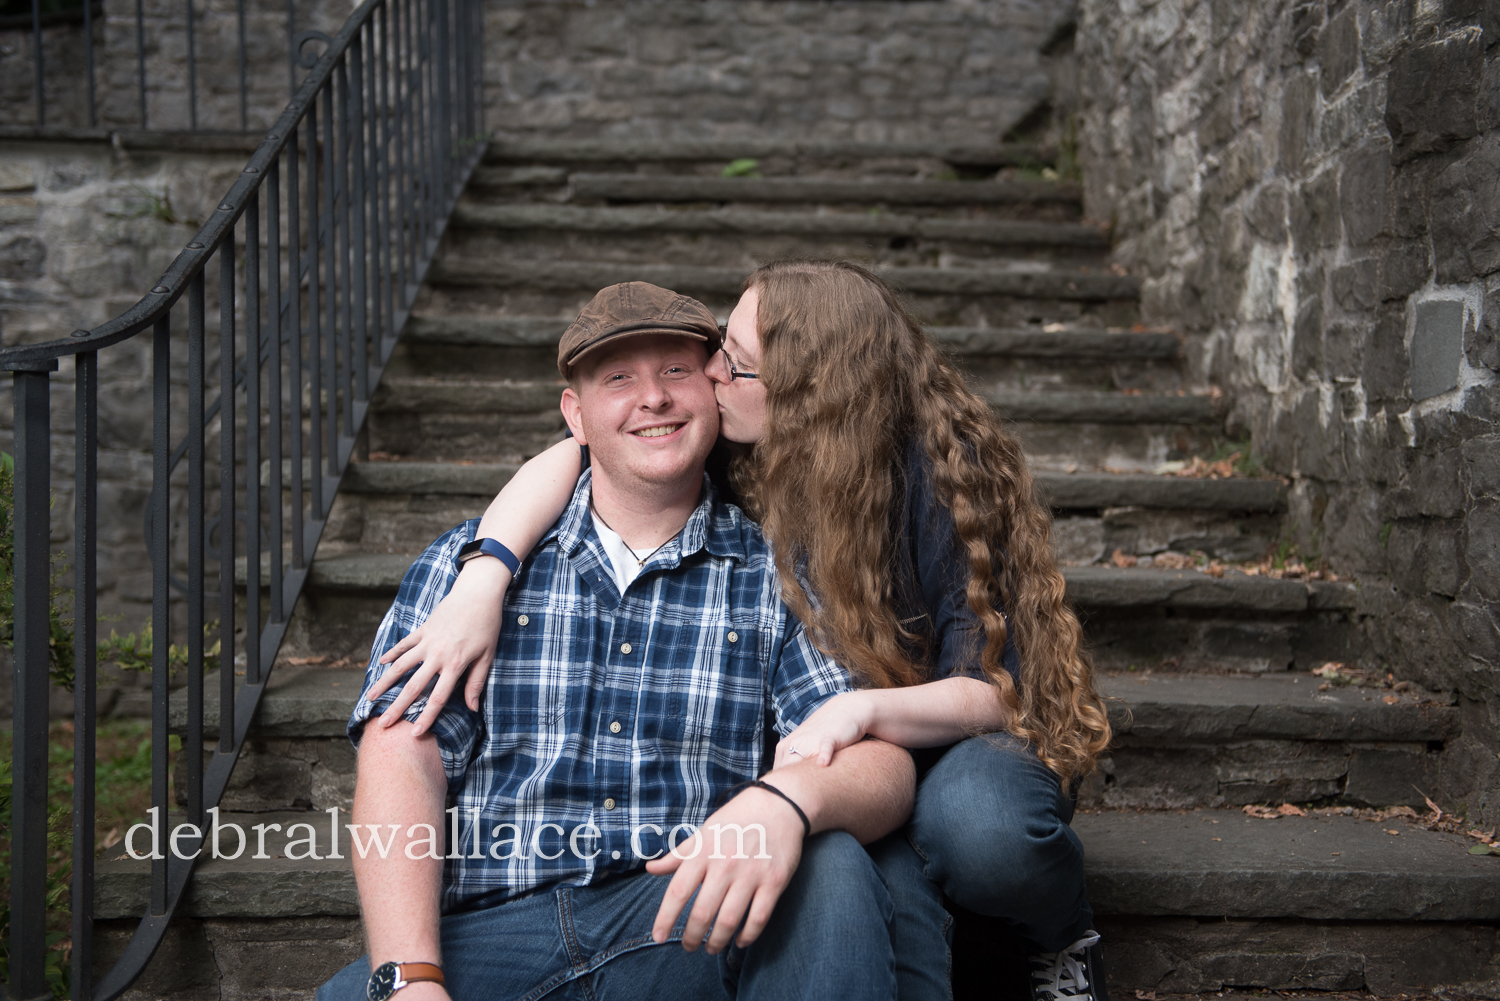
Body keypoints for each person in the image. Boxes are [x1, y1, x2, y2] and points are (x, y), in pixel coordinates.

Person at [381, 261, 1113, 1001]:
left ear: (803, 393)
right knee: (869, 871)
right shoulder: (727, 442)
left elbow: (1001, 686)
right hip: (831, 751)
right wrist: (486, 570)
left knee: (975, 830)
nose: (707, 372)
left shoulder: (935, 470)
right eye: (721, 350)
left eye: (729, 362)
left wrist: (858, 716)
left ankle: (1059, 934)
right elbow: (585, 449)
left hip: (950, 733)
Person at [319, 281, 916, 1001]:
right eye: (619, 379)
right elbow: (400, 753)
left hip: (685, 919)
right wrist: (408, 977)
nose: (654, 398)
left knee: (834, 865)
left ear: (717, 390)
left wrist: (784, 800)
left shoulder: (780, 572)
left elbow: (881, 764)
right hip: (503, 927)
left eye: (675, 371)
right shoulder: (468, 566)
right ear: (575, 413)